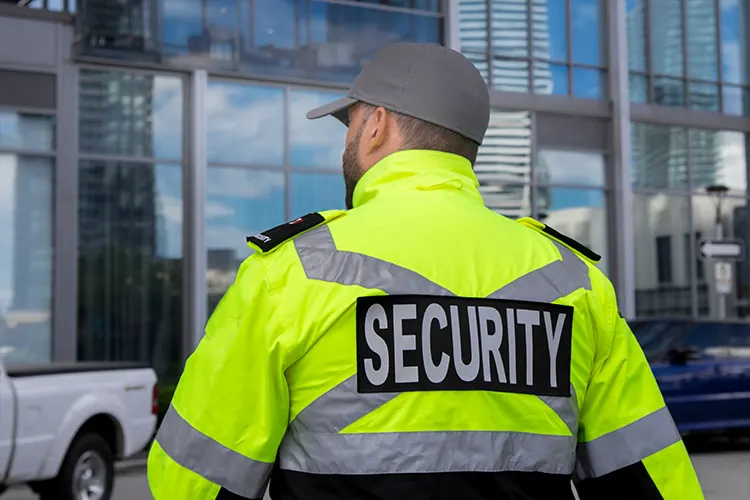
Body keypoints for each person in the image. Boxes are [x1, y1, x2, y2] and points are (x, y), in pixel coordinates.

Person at [147, 42, 704, 500]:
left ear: (377, 127)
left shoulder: (290, 272)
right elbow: (651, 481)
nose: (347, 140)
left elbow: (195, 480)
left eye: (351, 124)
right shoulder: (574, 283)